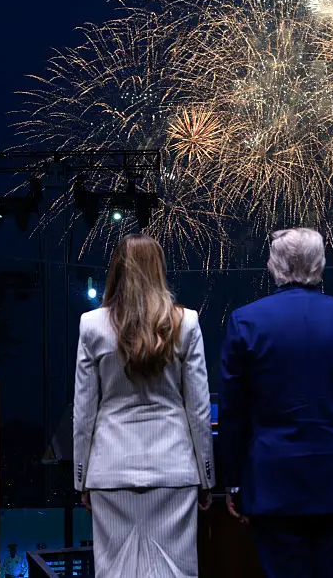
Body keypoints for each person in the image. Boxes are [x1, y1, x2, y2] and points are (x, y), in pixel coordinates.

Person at [218, 227, 333, 578]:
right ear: (321, 264)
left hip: (273, 479)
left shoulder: (246, 321)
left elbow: (233, 411)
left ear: (274, 266)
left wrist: (233, 480)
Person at [73, 234, 215, 578]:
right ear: (159, 270)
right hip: (174, 468)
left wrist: (81, 480)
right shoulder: (187, 322)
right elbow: (198, 410)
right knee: (175, 572)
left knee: (116, 571)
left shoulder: (92, 325)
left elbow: (83, 413)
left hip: (110, 471)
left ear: (117, 270)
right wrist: (207, 476)